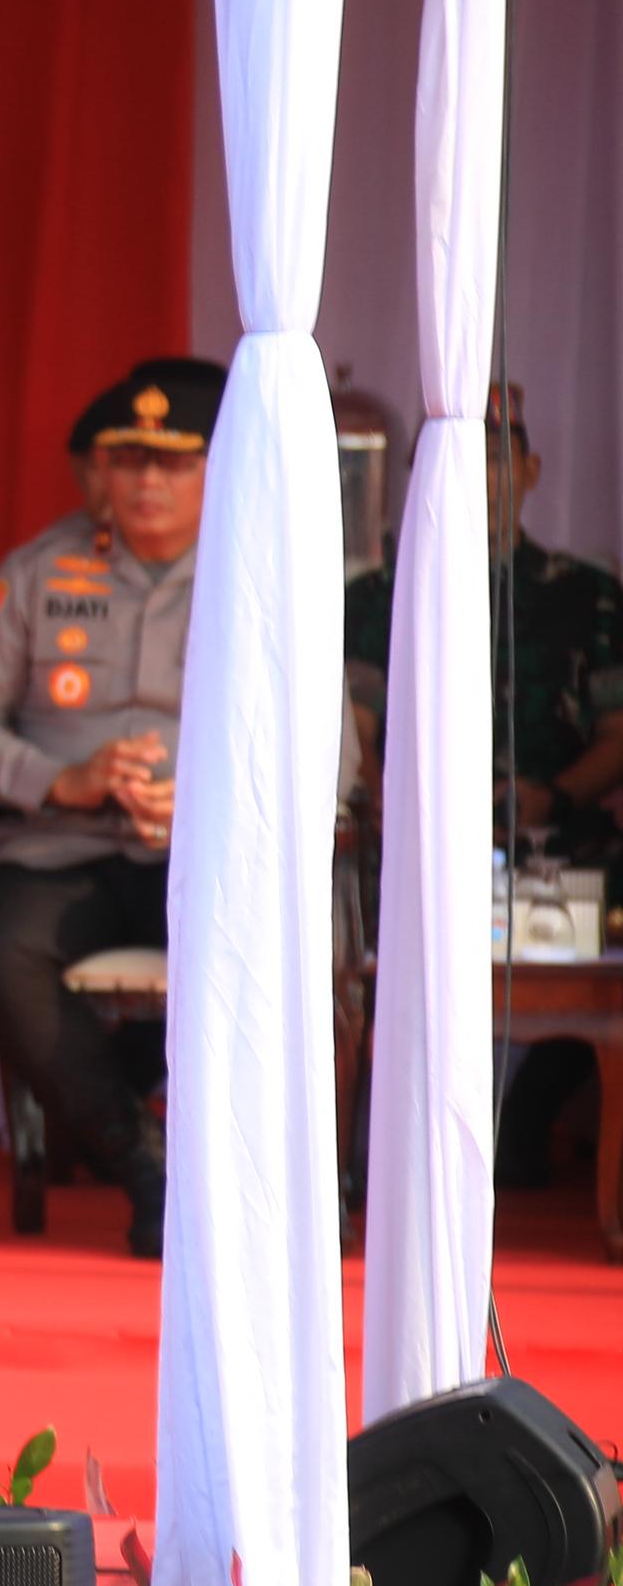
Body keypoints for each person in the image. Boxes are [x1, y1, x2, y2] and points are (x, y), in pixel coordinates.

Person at [0, 357, 220, 1259]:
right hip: (62, 844)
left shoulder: (261, 573)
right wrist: (65, 780)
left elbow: (336, 754)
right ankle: (142, 1160)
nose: (147, 480)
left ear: (219, 468)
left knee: (275, 957)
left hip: (205, 854)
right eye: (128, 459)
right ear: (100, 472)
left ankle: (235, 1185)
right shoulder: (39, 571)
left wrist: (216, 802)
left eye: (172, 461)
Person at [345, 381, 623, 1183]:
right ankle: (374, 1163)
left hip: (557, 832)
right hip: (412, 837)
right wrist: (398, 806)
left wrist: (555, 795)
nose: (480, 473)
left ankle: (522, 1125)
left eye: (498, 457)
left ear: (531, 470)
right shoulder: (372, 595)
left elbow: (615, 734)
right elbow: (359, 732)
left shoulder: (587, 593)